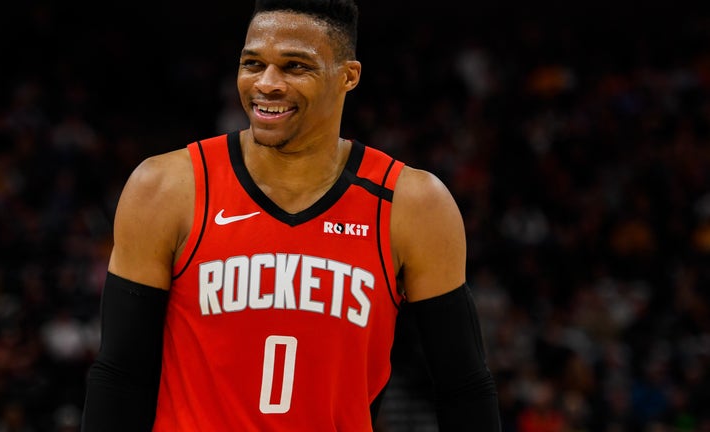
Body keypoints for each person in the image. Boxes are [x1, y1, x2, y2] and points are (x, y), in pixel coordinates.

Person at [80, 0, 501, 430]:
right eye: (253, 63)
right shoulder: (166, 188)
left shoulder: (412, 204)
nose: (267, 84)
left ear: (348, 76)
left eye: (295, 67)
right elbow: (121, 375)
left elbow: (463, 386)